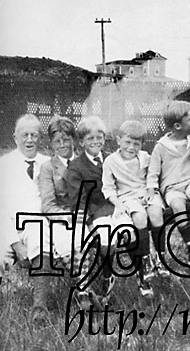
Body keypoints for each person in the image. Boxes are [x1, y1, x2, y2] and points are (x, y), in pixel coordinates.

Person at [64, 116, 127, 304]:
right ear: (81, 142)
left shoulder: (112, 159)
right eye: (90, 138)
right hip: (95, 212)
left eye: (99, 137)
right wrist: (88, 222)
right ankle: (107, 277)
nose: (95, 141)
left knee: (133, 232)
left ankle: (144, 277)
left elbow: (124, 183)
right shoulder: (77, 166)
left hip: (117, 207)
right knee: (107, 238)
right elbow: (79, 199)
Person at [102, 120, 168, 296]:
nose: (131, 147)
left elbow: (152, 176)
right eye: (128, 142)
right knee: (139, 217)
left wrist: (150, 191)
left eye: (136, 144)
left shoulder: (146, 157)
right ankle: (146, 261)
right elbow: (108, 188)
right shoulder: (111, 161)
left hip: (146, 193)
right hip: (127, 197)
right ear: (118, 140)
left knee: (156, 214)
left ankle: (160, 258)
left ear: (142, 144)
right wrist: (119, 204)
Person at [147, 100, 190, 264]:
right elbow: (153, 172)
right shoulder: (161, 147)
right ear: (178, 126)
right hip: (172, 188)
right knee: (178, 207)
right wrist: (151, 190)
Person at [0, 114, 51, 323]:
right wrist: (15, 244)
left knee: (41, 237)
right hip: (7, 224)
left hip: (36, 224)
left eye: (34, 135)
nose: (29, 140)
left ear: (40, 138)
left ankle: (40, 308)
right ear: (15, 138)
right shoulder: (4, 164)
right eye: (25, 135)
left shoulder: (48, 163)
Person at [38, 115, 85, 267]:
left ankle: (94, 278)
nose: (62, 145)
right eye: (57, 141)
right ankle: (83, 279)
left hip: (85, 216)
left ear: (74, 140)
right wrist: (66, 217)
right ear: (51, 144)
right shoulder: (48, 168)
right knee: (70, 244)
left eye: (66, 140)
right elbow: (48, 205)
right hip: (62, 220)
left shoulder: (84, 162)